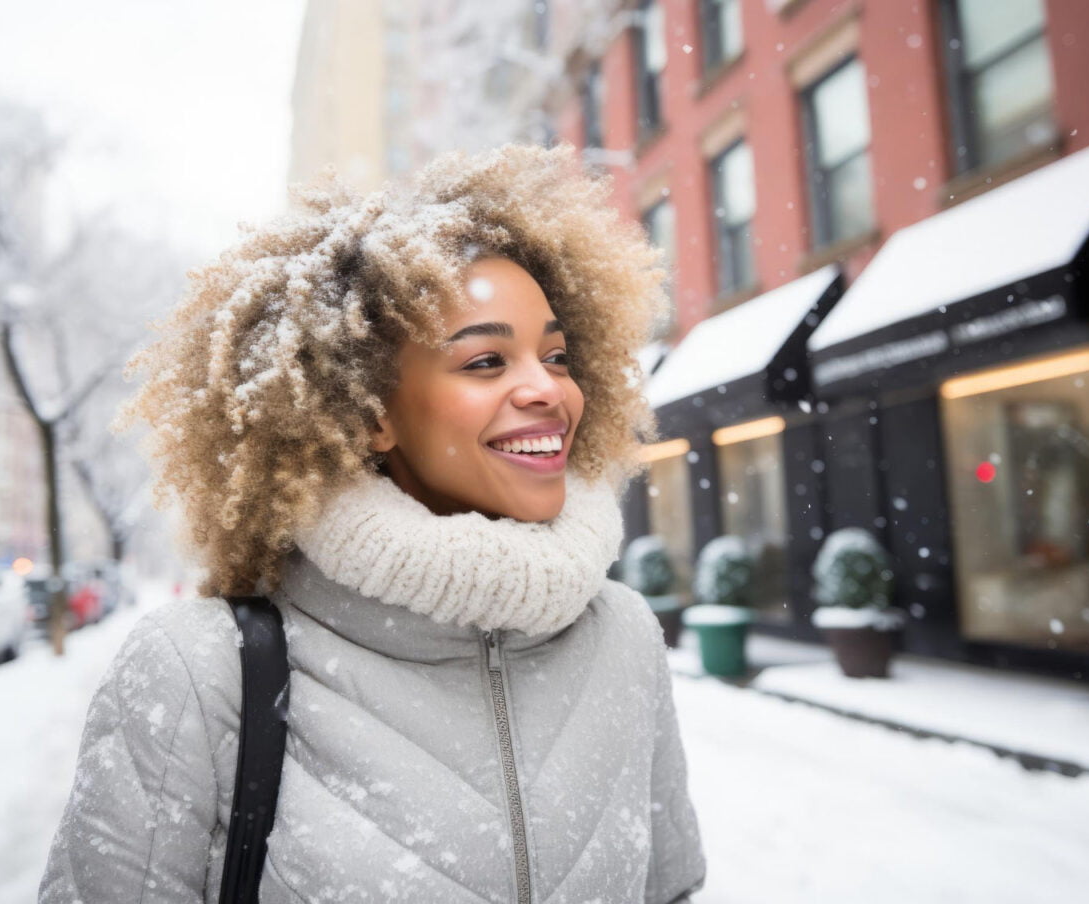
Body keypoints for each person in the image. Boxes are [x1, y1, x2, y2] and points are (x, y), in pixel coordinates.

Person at [39, 143, 705, 903]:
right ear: (372, 412)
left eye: (555, 357)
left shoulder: (623, 637)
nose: (547, 390)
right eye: (486, 362)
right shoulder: (202, 671)